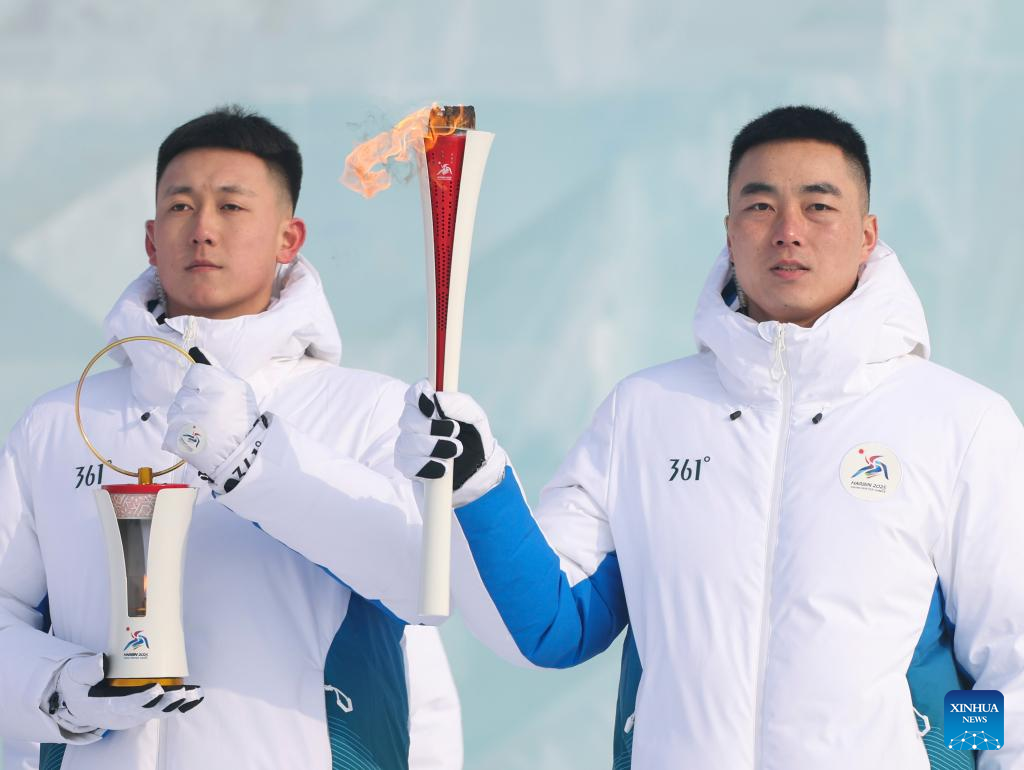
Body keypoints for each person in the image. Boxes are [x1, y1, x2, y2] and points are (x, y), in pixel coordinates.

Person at [394, 106, 1024, 768]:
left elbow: (1008, 665)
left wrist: (961, 750)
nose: (788, 231)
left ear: (867, 234)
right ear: (729, 231)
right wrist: (478, 487)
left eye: (818, 206)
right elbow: (553, 624)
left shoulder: (959, 424)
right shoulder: (645, 414)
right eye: (760, 207)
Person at [0, 106, 462, 770]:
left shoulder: (368, 410)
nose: (203, 229)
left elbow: (420, 582)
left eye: (232, 206)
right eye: (180, 206)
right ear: (151, 240)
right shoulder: (58, 425)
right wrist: (59, 689)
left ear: (288, 238)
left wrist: (252, 460)